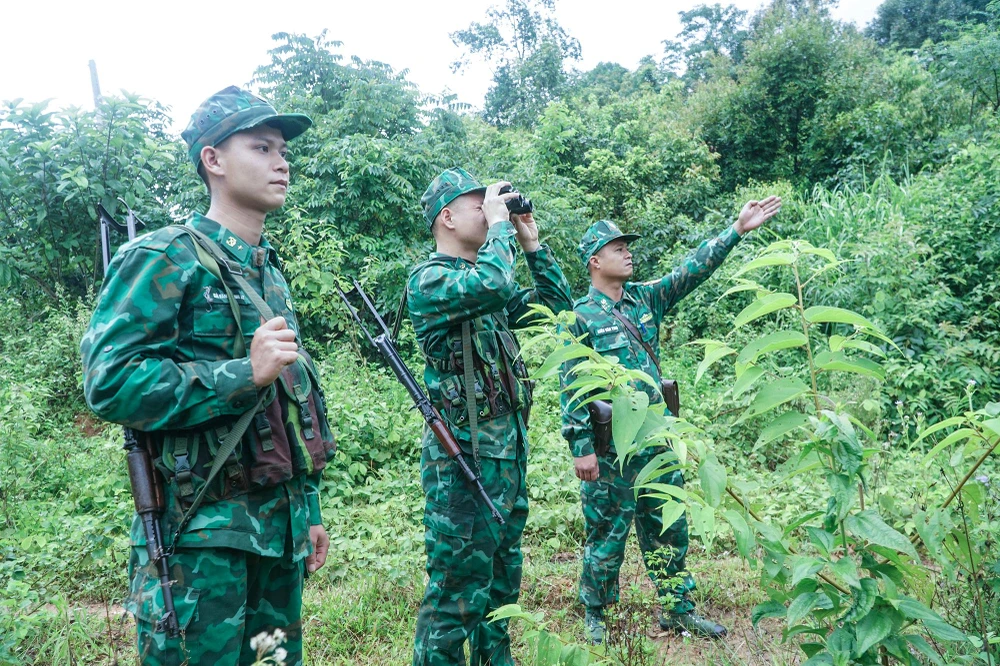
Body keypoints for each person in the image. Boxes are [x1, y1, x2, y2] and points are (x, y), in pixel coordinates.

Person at [81, 86, 335, 666]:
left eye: (283, 150)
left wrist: (308, 509)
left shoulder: (269, 273)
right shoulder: (165, 257)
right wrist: (242, 373)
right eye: (262, 147)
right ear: (213, 160)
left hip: (276, 535)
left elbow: (286, 405)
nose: (281, 162)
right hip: (199, 541)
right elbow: (110, 381)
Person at [560, 197, 782, 643]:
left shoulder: (646, 298)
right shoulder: (579, 316)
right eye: (617, 248)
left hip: (657, 440)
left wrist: (736, 230)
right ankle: (596, 614)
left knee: (668, 525)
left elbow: (691, 271)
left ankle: (678, 609)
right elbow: (572, 384)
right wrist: (580, 447)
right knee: (607, 531)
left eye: (627, 246)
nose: (628, 253)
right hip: (611, 447)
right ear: (595, 261)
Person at [407, 168, 573, 664]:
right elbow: (495, 284)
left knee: (501, 588)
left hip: (506, 458)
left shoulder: (487, 284)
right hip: (463, 464)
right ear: (447, 217)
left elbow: (558, 308)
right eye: (478, 205)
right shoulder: (431, 280)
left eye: (490, 204)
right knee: (455, 594)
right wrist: (500, 227)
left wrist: (532, 243)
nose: (488, 212)